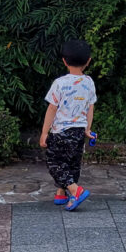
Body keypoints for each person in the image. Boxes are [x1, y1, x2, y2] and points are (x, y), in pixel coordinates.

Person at [39, 39, 96, 211]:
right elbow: (90, 107)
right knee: (72, 162)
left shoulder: (60, 83)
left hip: (60, 132)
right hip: (78, 131)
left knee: (55, 162)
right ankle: (61, 193)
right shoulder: (89, 82)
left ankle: (75, 190)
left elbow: (52, 108)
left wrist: (44, 132)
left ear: (64, 60)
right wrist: (87, 129)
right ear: (88, 61)